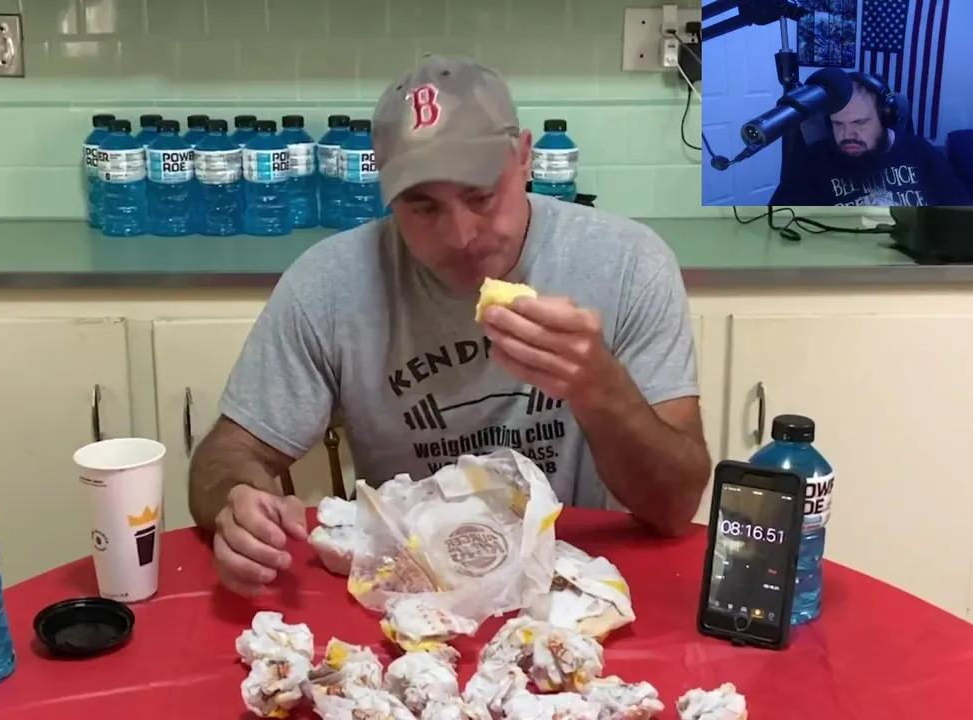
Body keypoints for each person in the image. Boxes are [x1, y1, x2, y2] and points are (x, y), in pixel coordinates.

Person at [188, 56, 712, 598]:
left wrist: (600, 388)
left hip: (567, 590)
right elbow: (225, 456)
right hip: (410, 595)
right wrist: (239, 503)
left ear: (524, 157)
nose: (461, 236)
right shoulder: (330, 285)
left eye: (480, 195)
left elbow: (675, 508)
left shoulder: (625, 265)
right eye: (423, 208)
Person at [768, 76, 973, 207]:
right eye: (838, 124)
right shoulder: (813, 162)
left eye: (860, 123)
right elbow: (776, 220)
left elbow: (963, 212)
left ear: (886, 119)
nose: (848, 134)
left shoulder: (921, 152)